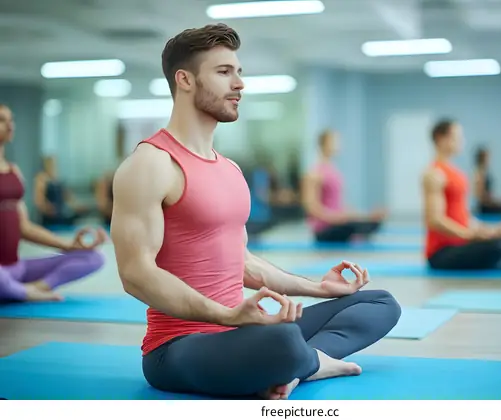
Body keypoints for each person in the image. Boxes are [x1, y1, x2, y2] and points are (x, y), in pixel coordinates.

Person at [110, 24, 401, 400]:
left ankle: (295, 368)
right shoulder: (150, 164)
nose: (239, 84)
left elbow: (241, 262)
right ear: (184, 80)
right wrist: (226, 316)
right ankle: (303, 362)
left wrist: (319, 288)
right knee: (281, 339)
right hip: (179, 346)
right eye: (223, 72)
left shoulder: (229, 169)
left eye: (239, 72)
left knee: (379, 304)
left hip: (244, 333)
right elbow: (136, 274)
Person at [0, 104, 107, 303]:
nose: (10, 125)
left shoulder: (13, 171)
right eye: (1, 120)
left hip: (16, 268)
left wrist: (69, 246)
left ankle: (30, 289)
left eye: (11, 120)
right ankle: (24, 293)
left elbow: (24, 227)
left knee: (94, 257)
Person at [422, 119, 501, 270]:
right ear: (440, 138)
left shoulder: (457, 173)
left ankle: (496, 259)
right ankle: (497, 260)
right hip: (442, 252)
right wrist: (469, 235)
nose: (462, 141)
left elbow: (464, 217)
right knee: (497, 246)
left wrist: (495, 230)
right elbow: (434, 220)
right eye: (457, 137)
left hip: (464, 242)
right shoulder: (434, 174)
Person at [301, 130, 387, 243]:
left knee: (374, 223)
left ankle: (355, 233)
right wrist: (336, 218)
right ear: (324, 144)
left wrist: (366, 216)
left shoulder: (333, 171)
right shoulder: (315, 173)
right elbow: (311, 208)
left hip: (339, 221)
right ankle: (354, 235)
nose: (338, 145)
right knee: (354, 225)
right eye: (334, 142)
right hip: (324, 229)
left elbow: (338, 206)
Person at [34, 156, 89, 227]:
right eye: (51, 164)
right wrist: (47, 208)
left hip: (60, 215)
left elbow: (68, 197)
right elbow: (39, 201)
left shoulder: (57, 180)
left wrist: (77, 206)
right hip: (49, 219)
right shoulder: (41, 178)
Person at [473, 147, 501, 215]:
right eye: (487, 157)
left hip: (490, 204)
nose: (489, 160)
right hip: (486, 207)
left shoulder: (485, 172)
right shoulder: (479, 173)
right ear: (482, 158)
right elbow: (480, 197)